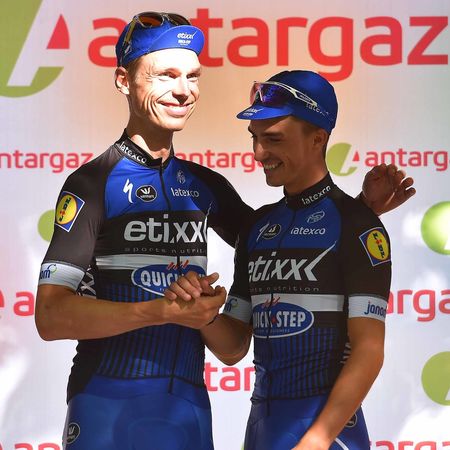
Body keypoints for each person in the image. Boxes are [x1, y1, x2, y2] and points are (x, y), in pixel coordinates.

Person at [35, 11, 413, 450]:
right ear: (124, 80)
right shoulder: (91, 184)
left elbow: (287, 240)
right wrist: (159, 311)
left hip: (189, 413)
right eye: (165, 75)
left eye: (192, 76)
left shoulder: (205, 186)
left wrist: (360, 214)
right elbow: (50, 316)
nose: (182, 89)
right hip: (106, 404)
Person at [166, 70, 404, 450]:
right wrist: (202, 314)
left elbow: (369, 350)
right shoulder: (258, 227)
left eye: (273, 139)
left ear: (318, 138)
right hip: (262, 430)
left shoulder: (358, 225)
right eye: (255, 138)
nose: (259, 153)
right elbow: (233, 348)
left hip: (330, 435)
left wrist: (317, 440)